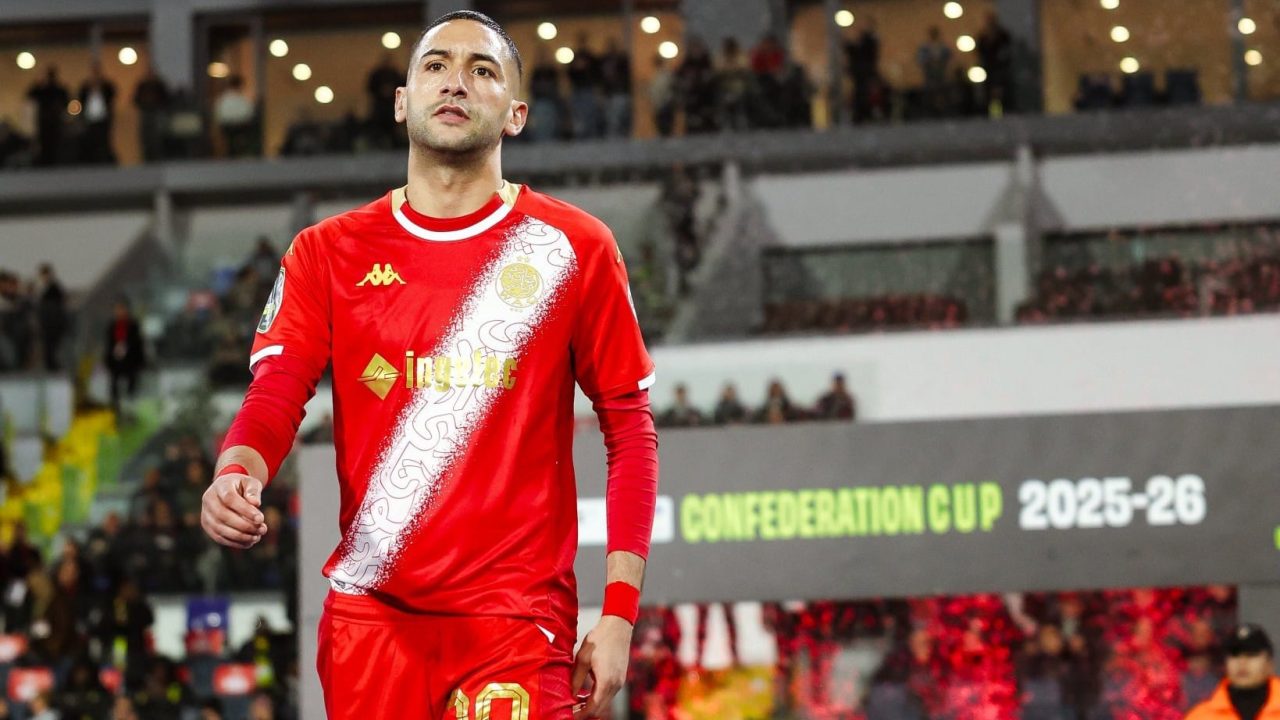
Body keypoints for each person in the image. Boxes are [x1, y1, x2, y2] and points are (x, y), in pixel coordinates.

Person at [201, 11, 658, 719]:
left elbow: (629, 430)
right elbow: (278, 391)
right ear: (400, 101)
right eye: (435, 65)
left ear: (516, 114)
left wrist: (620, 613)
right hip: (370, 624)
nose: (455, 82)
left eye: (483, 70)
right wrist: (238, 469)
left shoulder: (574, 246)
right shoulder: (327, 252)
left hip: (516, 621)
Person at [1185, 625, 1280, 720]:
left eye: (1251, 655)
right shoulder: (1200, 716)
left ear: (1270, 664)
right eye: (1235, 655)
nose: (1242, 662)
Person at [103, 298, 146, 417]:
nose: (119, 312)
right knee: (114, 388)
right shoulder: (112, 326)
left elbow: (138, 344)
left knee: (132, 387)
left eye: (121, 309)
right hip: (116, 362)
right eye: (117, 309)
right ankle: (116, 412)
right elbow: (109, 345)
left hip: (131, 362)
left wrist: (128, 350)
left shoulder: (133, 326)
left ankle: (131, 412)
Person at [79, 61, 118, 164]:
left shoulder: (106, 85)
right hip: (90, 118)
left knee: (104, 140)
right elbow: (81, 99)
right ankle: (92, 160)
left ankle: (104, 160)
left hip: (103, 118)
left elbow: (112, 95)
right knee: (91, 140)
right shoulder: (86, 86)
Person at [133, 64, 170, 162]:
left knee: (157, 137)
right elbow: (135, 99)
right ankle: (147, 158)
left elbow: (166, 98)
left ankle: (158, 158)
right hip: (145, 112)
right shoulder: (142, 85)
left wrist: (159, 105)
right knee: (146, 137)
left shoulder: (159, 85)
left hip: (157, 113)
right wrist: (144, 103)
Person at [366, 53, 403, 148]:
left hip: (392, 105)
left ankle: (393, 146)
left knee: (393, 128)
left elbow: (401, 86)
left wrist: (391, 92)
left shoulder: (395, 74)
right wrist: (381, 92)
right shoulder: (377, 74)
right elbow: (370, 87)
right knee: (378, 128)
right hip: (380, 106)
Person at [35, 264, 67, 372]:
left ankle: (53, 367)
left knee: (53, 347)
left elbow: (58, 304)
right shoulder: (44, 288)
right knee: (48, 348)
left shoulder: (54, 288)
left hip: (53, 323)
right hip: (47, 324)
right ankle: (50, 366)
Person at [214, 75, 256, 157]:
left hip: (228, 126)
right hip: (237, 126)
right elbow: (249, 113)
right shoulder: (242, 99)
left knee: (232, 142)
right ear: (240, 85)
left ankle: (233, 151)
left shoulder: (223, 99)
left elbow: (218, 114)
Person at [917, 26, 952, 117]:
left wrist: (940, 61)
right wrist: (930, 60)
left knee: (941, 92)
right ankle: (930, 111)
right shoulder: (925, 47)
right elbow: (921, 60)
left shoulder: (942, 46)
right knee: (930, 92)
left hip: (940, 73)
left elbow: (949, 56)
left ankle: (943, 110)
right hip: (930, 74)